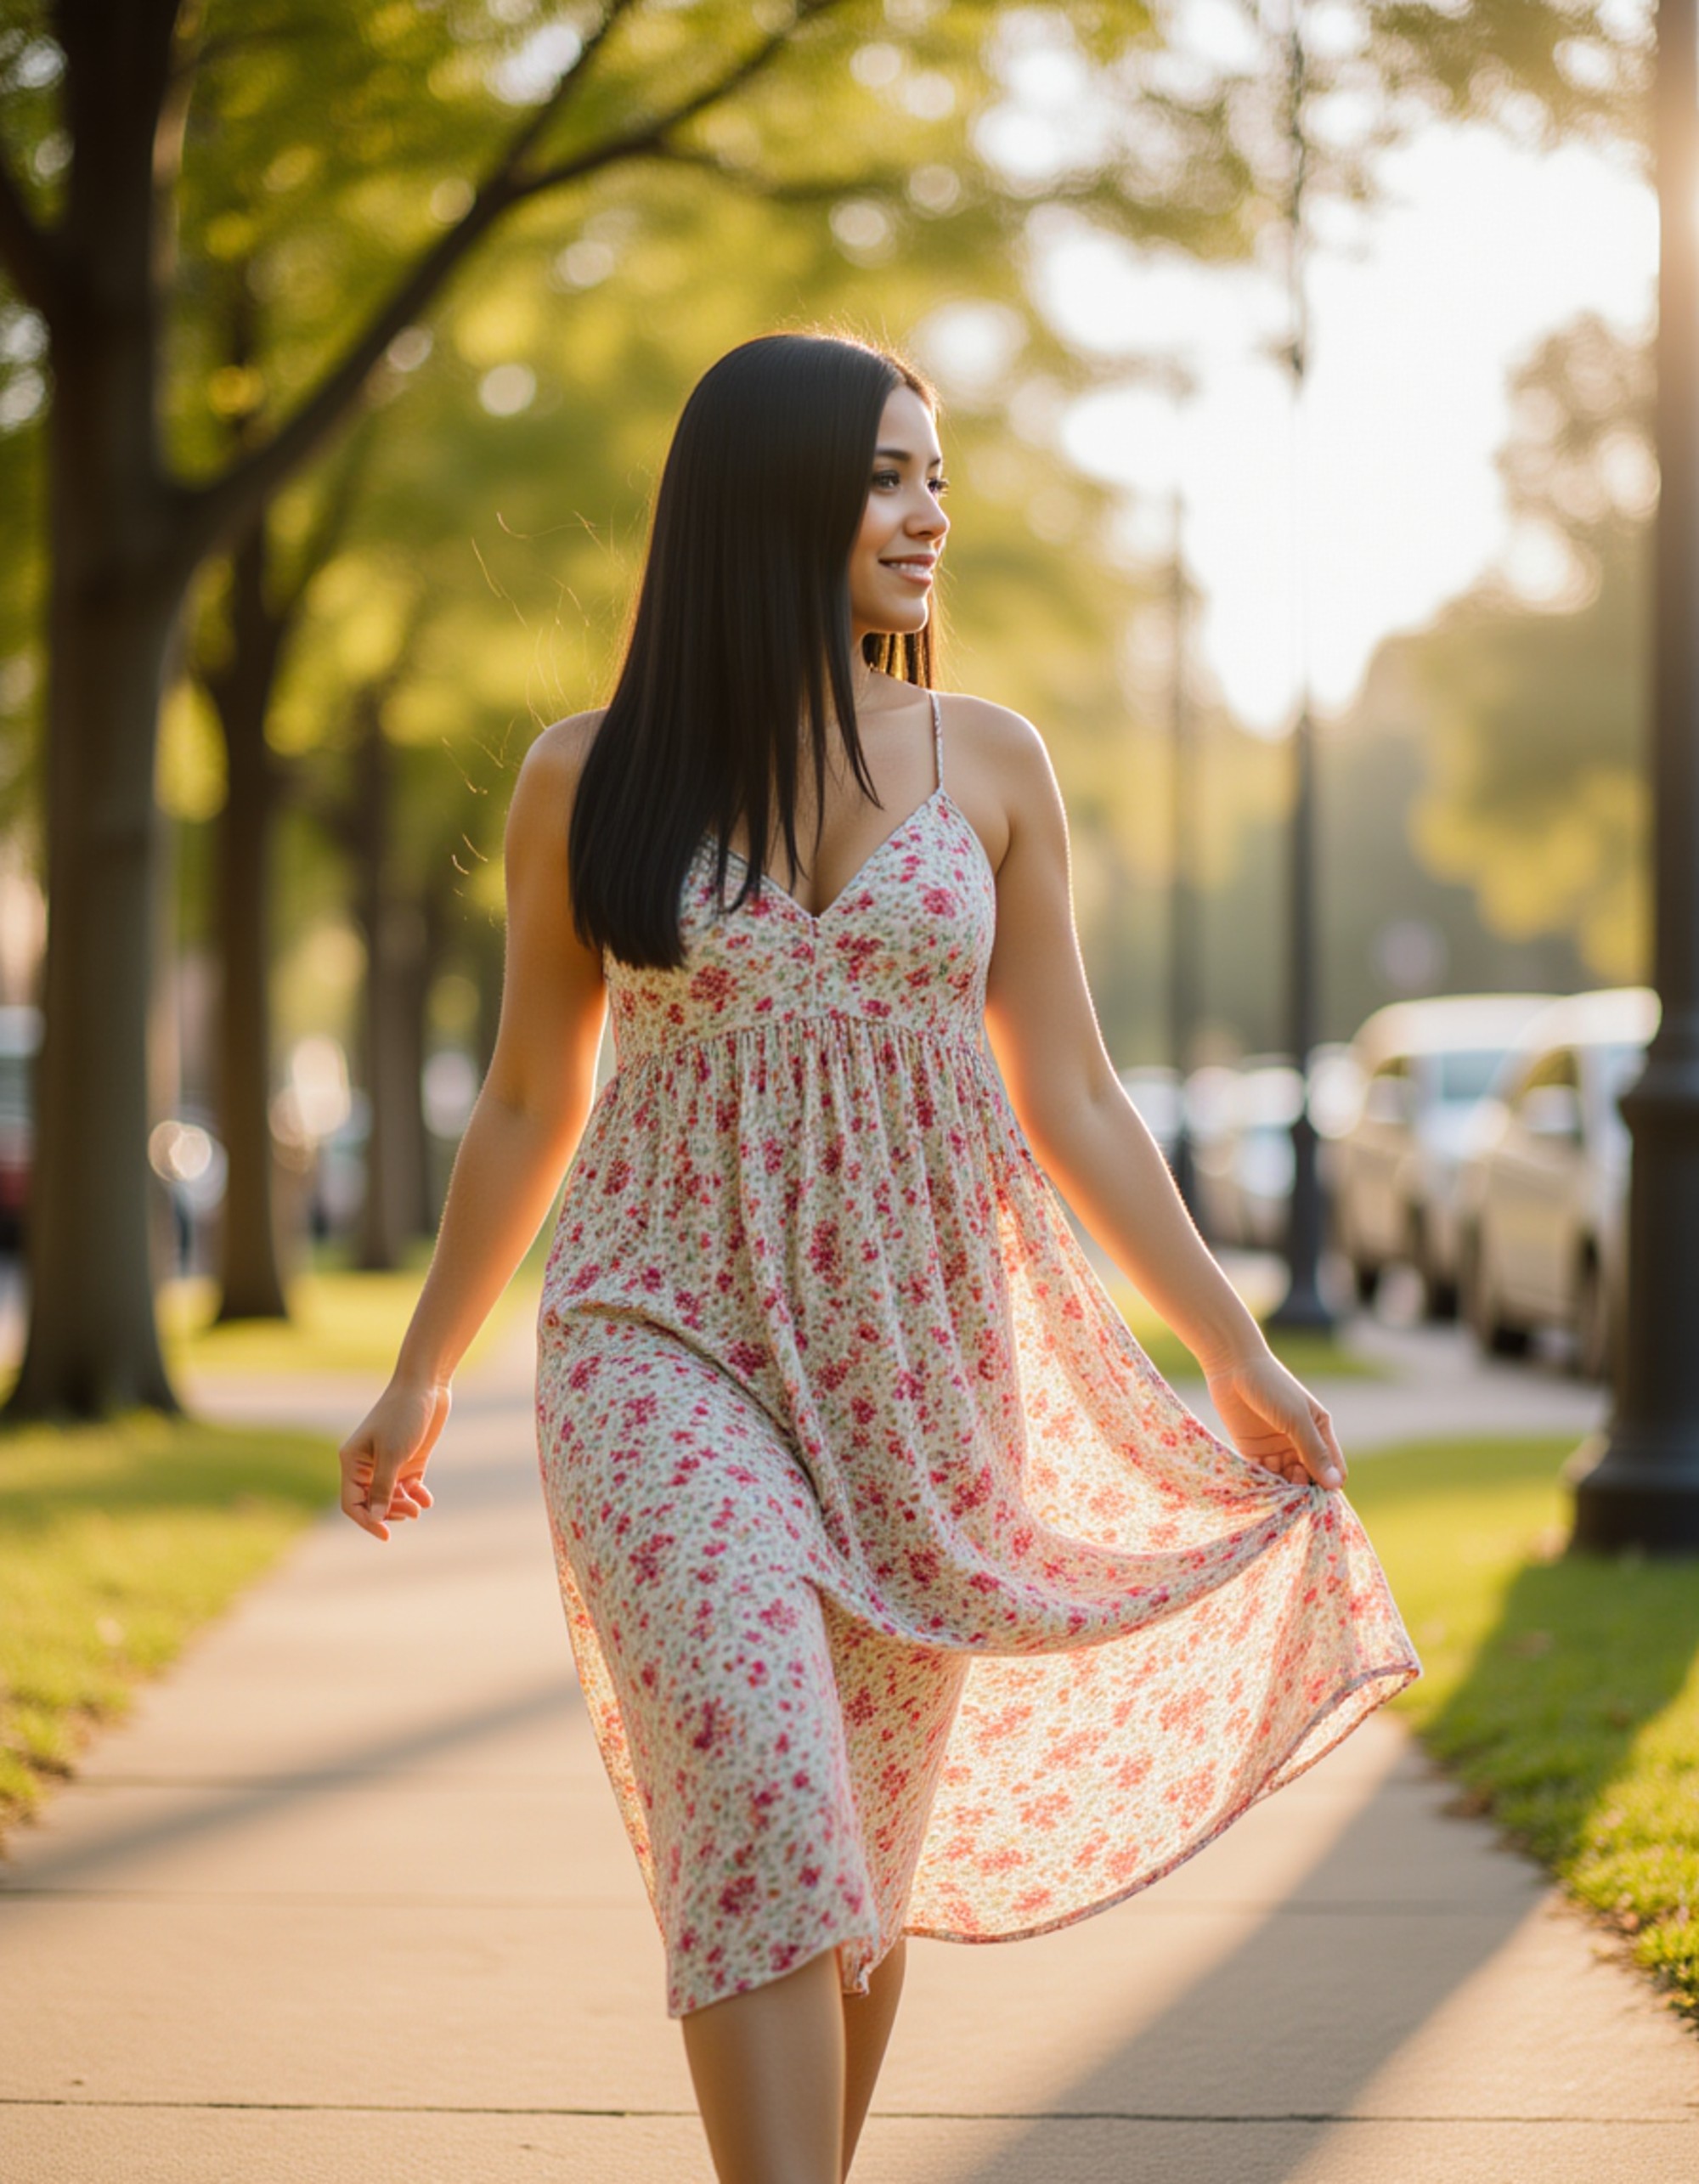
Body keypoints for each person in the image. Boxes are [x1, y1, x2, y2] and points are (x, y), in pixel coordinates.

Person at [338, 330, 1420, 2184]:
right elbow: (529, 1096)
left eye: (935, 476)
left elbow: (1071, 1088)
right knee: (759, 1787)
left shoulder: (990, 760)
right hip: (654, 1335)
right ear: (767, 502)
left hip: (919, 1364)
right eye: (885, 476)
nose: (929, 515)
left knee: (855, 1849)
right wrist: (424, 1361)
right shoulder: (583, 777)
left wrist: (1230, 1348)